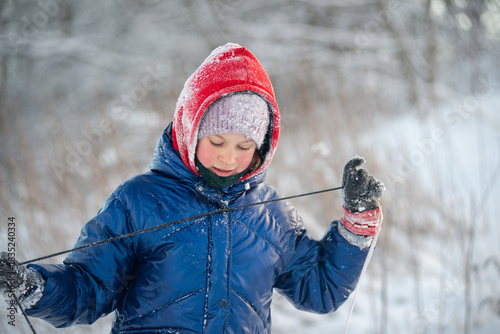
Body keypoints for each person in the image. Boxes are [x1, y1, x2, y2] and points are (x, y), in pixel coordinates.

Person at [0, 43, 384, 333]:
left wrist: (357, 225)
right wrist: (33, 285)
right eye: (217, 142)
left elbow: (320, 289)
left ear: (263, 147)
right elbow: (87, 289)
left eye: (245, 146)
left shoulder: (273, 214)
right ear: (190, 128)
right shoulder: (139, 201)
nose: (230, 158)